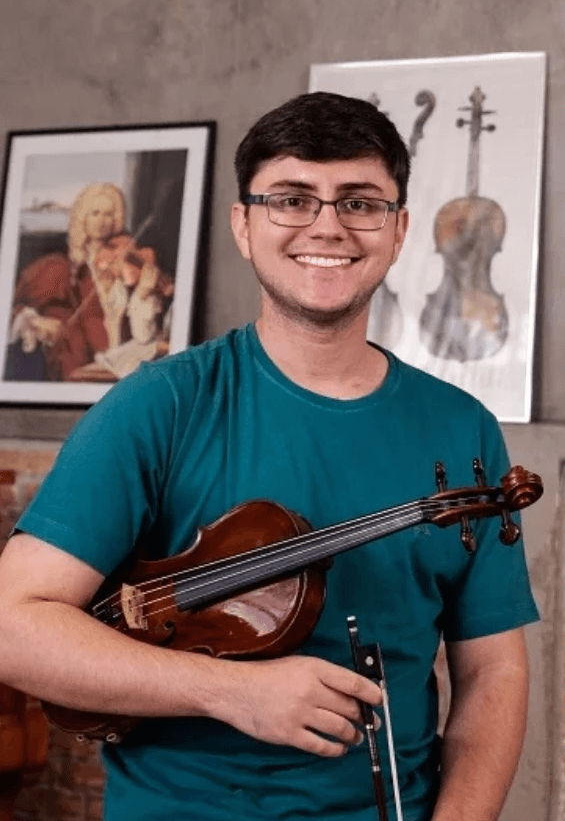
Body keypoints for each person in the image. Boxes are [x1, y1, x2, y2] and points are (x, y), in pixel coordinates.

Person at [0, 93, 538, 821]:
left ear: (398, 228)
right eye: (291, 199)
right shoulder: (158, 406)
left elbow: (494, 671)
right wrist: (227, 690)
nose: (327, 226)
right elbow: (13, 624)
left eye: (360, 202)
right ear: (243, 226)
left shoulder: (462, 428)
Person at [6, 182, 173, 382]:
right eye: (95, 213)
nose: (103, 221)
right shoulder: (60, 268)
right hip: (80, 367)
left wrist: (143, 294)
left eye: (109, 214)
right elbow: (14, 308)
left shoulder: (128, 263)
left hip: (122, 362)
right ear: (82, 218)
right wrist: (33, 321)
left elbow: (143, 336)